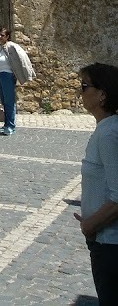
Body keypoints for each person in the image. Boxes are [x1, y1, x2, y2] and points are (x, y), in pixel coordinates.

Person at [75, 62, 118, 305]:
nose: (80, 92)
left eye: (84, 86)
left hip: (110, 244)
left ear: (102, 95)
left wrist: (90, 225)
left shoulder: (108, 134)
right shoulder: (107, 129)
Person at [0, 27, 35, 135]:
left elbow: (20, 58)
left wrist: (23, 72)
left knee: (9, 102)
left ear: (7, 37)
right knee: (4, 101)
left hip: (7, 75)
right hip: (0, 75)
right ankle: (6, 124)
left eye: (3, 35)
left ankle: (11, 126)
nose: (0, 37)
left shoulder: (11, 47)